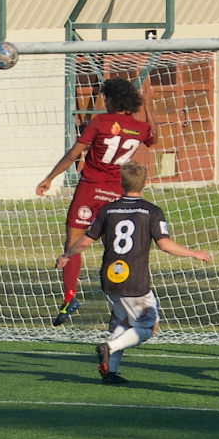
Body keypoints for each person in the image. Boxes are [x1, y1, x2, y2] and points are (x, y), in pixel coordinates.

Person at [56, 162, 211, 384]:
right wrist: (194, 253)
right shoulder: (151, 211)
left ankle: (111, 373)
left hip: (109, 277)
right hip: (134, 279)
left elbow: (85, 240)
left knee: (124, 322)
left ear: (121, 183)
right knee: (149, 326)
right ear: (145, 183)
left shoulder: (107, 210)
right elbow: (165, 244)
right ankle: (108, 347)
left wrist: (67, 256)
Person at [36, 77, 154, 326]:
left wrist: (50, 178)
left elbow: (73, 154)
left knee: (73, 242)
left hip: (90, 189)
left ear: (112, 99)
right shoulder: (140, 127)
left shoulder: (101, 121)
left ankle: (69, 297)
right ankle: (120, 305)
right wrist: (147, 106)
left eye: (105, 98)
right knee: (116, 247)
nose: (104, 102)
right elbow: (153, 137)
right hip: (117, 193)